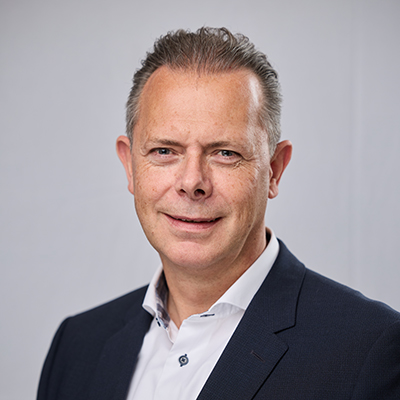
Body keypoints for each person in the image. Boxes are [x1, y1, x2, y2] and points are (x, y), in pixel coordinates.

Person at [37, 27, 400, 400]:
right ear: (130, 165)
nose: (192, 182)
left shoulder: (369, 351)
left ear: (274, 170)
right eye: (164, 151)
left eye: (225, 153)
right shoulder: (77, 346)